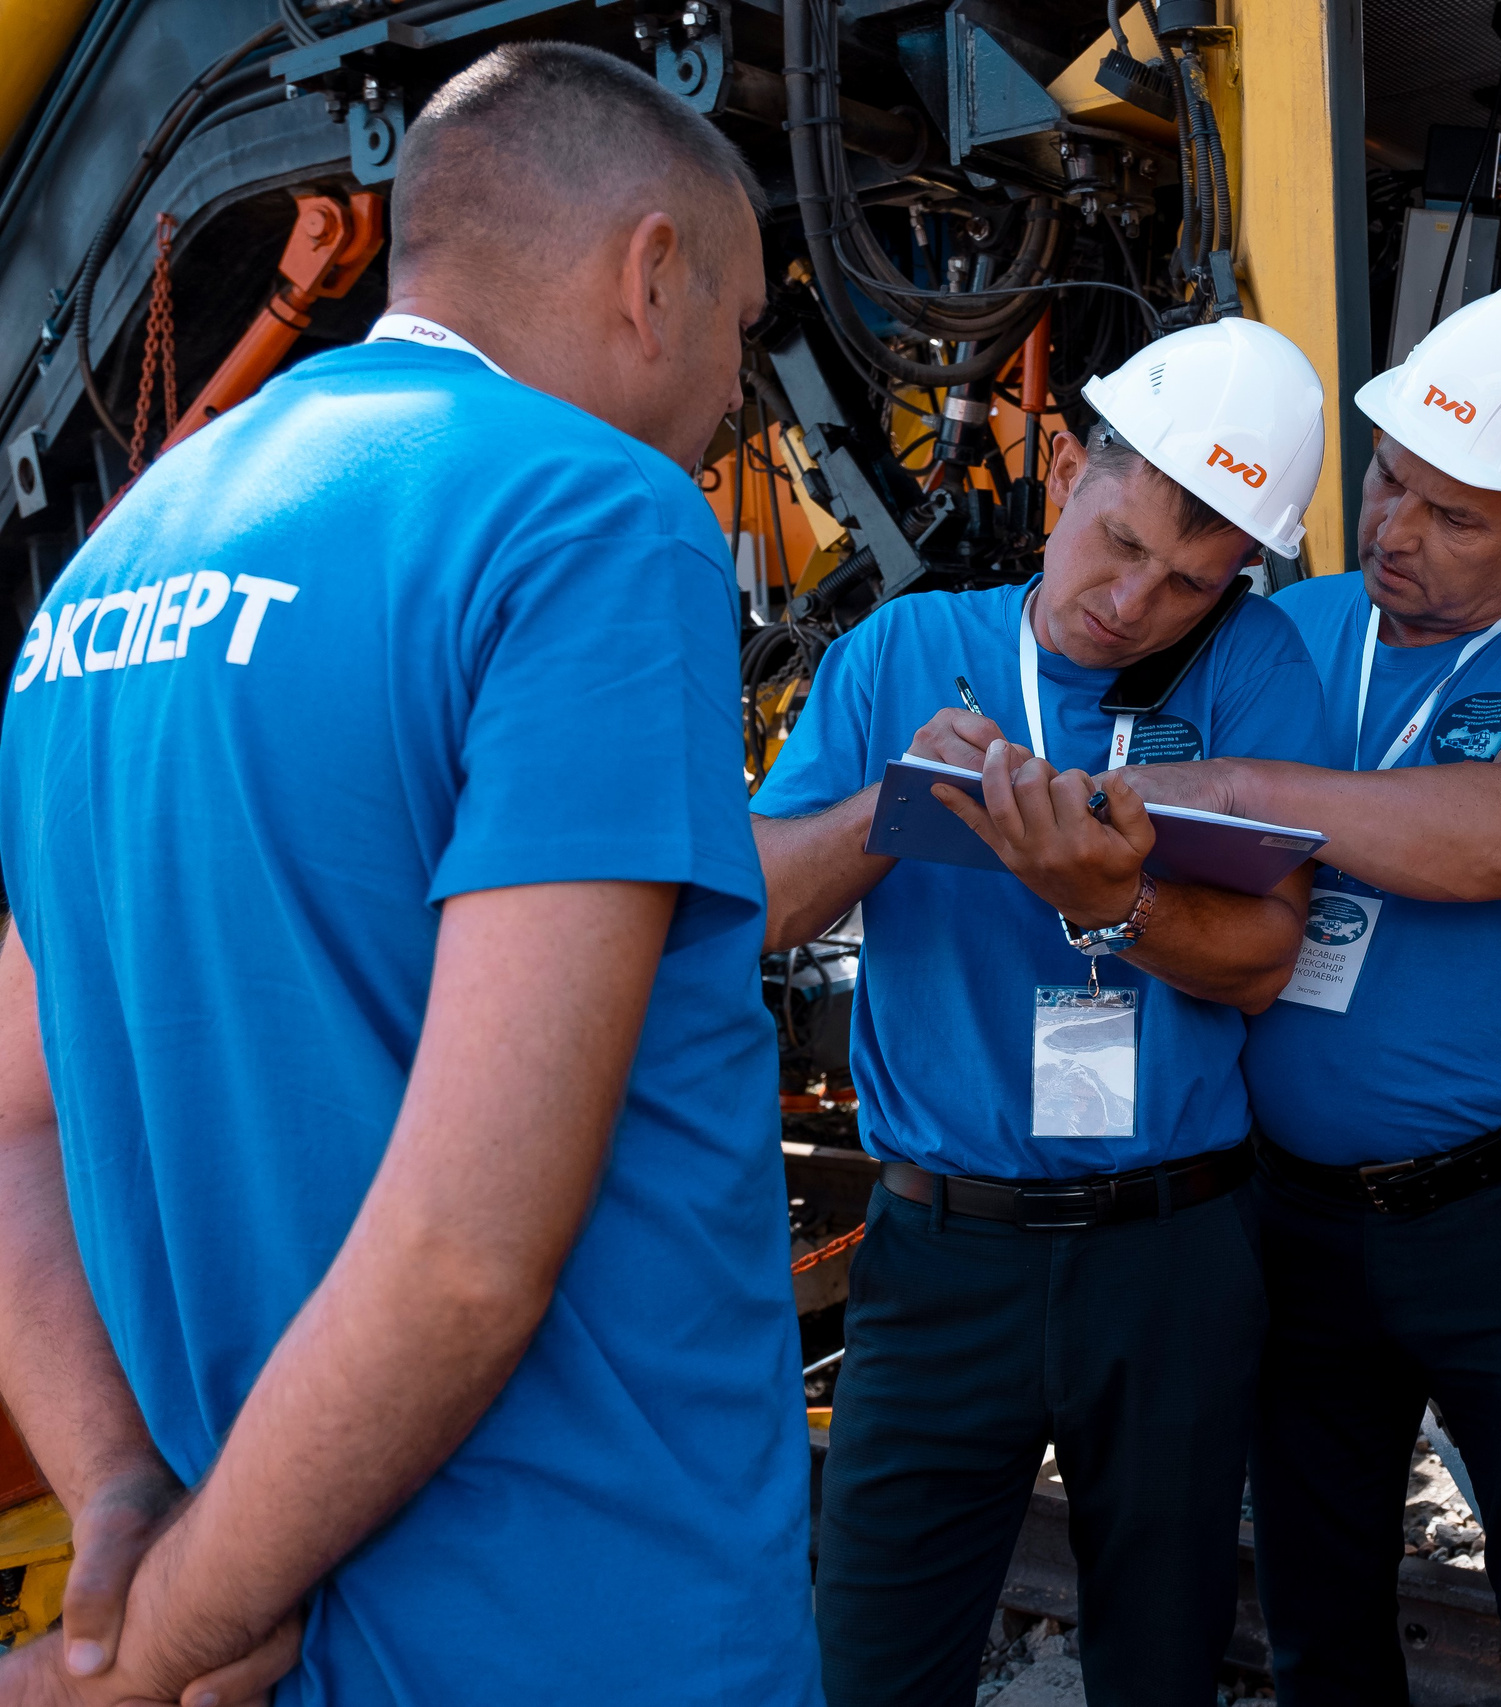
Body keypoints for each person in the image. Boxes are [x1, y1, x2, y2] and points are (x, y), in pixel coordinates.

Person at [0, 41, 818, 1707]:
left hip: (277, 1632)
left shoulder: (104, 577)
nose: (734, 397)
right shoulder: (590, 518)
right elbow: (464, 1247)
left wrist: (127, 1502)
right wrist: (156, 1647)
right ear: (649, 270)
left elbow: (12, 1112)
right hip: (584, 1623)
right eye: (740, 331)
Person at [1117, 279, 1501, 1706]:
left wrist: (1244, 785)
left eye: (1456, 514)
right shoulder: (1285, 628)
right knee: (1318, 1614)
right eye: (1389, 482)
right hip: (1293, 1214)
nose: (1395, 531)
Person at [750, 316, 1329, 1707]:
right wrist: (892, 809)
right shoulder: (902, 652)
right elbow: (755, 908)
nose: (1134, 601)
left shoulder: (1257, 671)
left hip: (1173, 1246)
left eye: (1192, 580)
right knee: (875, 1659)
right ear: (1066, 471)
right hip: (944, 1247)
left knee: (1163, 1653)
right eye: (1121, 541)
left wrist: (1112, 904)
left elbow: (1262, 957)